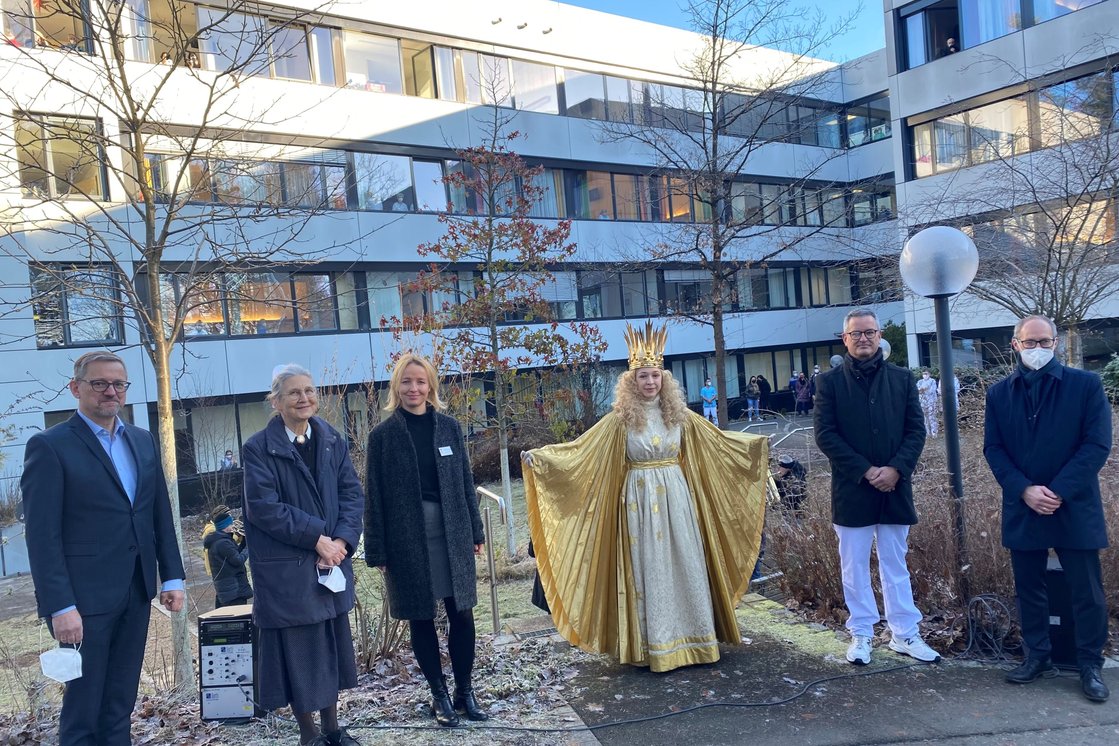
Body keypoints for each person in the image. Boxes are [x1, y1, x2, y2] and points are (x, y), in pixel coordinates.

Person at [522, 321, 768, 672]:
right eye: (643, 377)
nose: (650, 382)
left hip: (677, 498)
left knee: (684, 562)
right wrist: (542, 459)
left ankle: (693, 640)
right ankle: (652, 645)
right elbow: (582, 451)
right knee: (646, 569)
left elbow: (718, 443)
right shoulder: (620, 420)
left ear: (663, 378)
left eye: (655, 375)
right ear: (631, 381)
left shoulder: (680, 416)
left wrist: (755, 447)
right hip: (637, 503)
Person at [21, 351, 185, 745]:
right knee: (84, 708)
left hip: (136, 590)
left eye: (119, 384)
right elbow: (42, 538)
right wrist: (60, 606)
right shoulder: (50, 447)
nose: (111, 391)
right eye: (99, 384)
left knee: (119, 703)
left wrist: (173, 575)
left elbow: (158, 513)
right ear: (76, 388)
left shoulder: (142, 441)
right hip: (83, 602)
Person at [983, 315, 1111, 703]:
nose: (1037, 348)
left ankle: (1089, 663)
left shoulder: (1086, 385)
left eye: (1044, 341)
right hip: (1023, 505)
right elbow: (994, 449)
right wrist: (1024, 490)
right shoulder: (999, 393)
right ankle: (1037, 655)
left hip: (1073, 504)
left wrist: (1055, 491)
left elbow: (1096, 445)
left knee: (1086, 590)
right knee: (1029, 588)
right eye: (1030, 342)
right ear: (1015, 345)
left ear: (1055, 343)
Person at [242, 364, 363, 746]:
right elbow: (264, 508)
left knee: (330, 649)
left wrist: (341, 541)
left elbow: (351, 494)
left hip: (331, 563)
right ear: (275, 401)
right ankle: (308, 734)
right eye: (294, 393)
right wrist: (317, 539)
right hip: (288, 570)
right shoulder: (258, 448)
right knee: (299, 656)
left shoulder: (331, 439)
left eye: (309, 391)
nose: (304, 398)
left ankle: (332, 729)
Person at [365, 354, 488, 727]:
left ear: (431, 386)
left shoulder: (449, 428)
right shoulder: (382, 437)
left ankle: (464, 692)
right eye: (406, 382)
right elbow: (374, 496)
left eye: (420, 382)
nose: (413, 389)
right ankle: (438, 695)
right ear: (396, 388)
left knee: (461, 613)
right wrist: (378, 549)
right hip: (407, 540)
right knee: (420, 616)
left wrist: (476, 531)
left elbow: (465, 484)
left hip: (453, 533)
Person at [813, 309, 938, 666]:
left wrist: (896, 468)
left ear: (879, 334)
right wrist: (867, 471)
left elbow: (916, 430)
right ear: (845, 338)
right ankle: (862, 633)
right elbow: (826, 435)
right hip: (853, 488)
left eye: (869, 332)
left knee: (895, 563)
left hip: (895, 487)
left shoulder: (901, 378)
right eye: (857, 333)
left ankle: (904, 633)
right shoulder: (830, 383)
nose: (864, 338)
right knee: (853, 565)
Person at [204, 507, 253, 608]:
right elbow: (238, 560)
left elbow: (233, 556)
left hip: (230, 590)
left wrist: (244, 543)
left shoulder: (220, 540)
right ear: (226, 526)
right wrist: (249, 547)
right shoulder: (223, 543)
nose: (233, 526)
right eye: (231, 524)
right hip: (233, 592)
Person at [774, 453, 808, 517]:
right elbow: (784, 486)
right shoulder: (789, 475)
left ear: (786, 468)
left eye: (780, 467)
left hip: (795, 515)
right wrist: (774, 483)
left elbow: (792, 497)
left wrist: (777, 505)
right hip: (791, 512)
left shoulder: (796, 478)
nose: (778, 469)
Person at [916, 370, 939, 438]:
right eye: (923, 374)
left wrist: (925, 389)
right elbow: (917, 389)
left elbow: (932, 390)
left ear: (929, 374)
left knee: (932, 417)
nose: (925, 375)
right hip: (923, 401)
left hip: (931, 401)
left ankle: (934, 432)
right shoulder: (920, 381)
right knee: (924, 418)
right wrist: (921, 390)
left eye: (926, 374)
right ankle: (926, 433)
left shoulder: (932, 381)